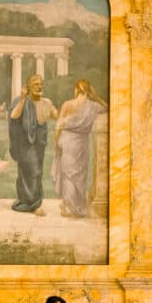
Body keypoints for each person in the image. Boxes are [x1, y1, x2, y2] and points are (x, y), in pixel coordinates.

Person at [53, 79, 107, 217]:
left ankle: (70, 207)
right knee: (79, 175)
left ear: (76, 90)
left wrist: (56, 144)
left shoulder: (67, 104)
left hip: (67, 142)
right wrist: (95, 97)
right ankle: (76, 207)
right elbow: (106, 107)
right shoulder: (93, 106)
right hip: (81, 143)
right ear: (88, 91)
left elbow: (58, 126)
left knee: (68, 175)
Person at [9, 74, 58, 215]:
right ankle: (33, 204)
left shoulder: (45, 102)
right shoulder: (21, 101)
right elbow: (14, 116)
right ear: (28, 87)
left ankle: (30, 202)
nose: (39, 86)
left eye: (40, 84)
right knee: (31, 171)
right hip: (25, 143)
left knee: (37, 172)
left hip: (39, 143)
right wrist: (24, 98)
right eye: (35, 84)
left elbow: (56, 114)